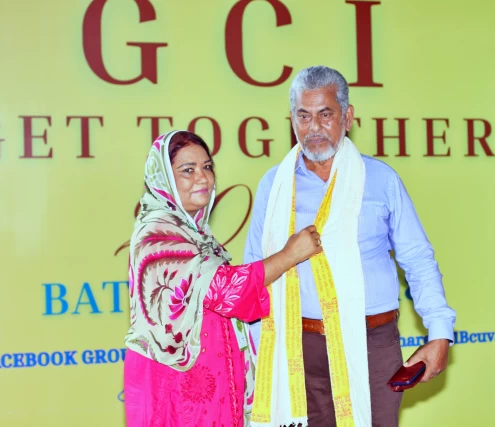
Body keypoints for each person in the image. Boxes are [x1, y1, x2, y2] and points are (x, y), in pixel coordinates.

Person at [243, 66, 456, 427]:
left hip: (372, 343)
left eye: (325, 114)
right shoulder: (274, 185)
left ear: (348, 116)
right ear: (291, 119)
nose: (313, 127)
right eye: (303, 116)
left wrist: (439, 333)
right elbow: (254, 269)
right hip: (297, 348)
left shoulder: (381, 180)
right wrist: (257, 349)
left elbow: (418, 259)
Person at [123, 130, 322, 427]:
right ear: (164, 178)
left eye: (207, 167)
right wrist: (290, 254)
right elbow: (224, 288)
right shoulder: (158, 234)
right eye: (188, 170)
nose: (202, 178)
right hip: (176, 381)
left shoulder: (193, 232)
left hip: (208, 376)